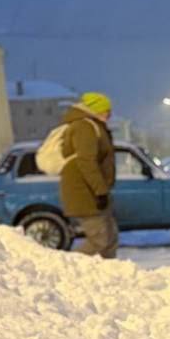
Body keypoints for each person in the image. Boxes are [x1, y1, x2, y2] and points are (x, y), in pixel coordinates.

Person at [58, 92, 117, 258]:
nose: (109, 114)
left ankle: (112, 276)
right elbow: (86, 161)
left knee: (110, 239)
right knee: (100, 241)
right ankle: (69, 268)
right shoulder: (84, 127)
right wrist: (100, 191)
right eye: (106, 110)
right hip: (85, 193)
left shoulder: (94, 126)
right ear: (96, 110)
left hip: (94, 191)